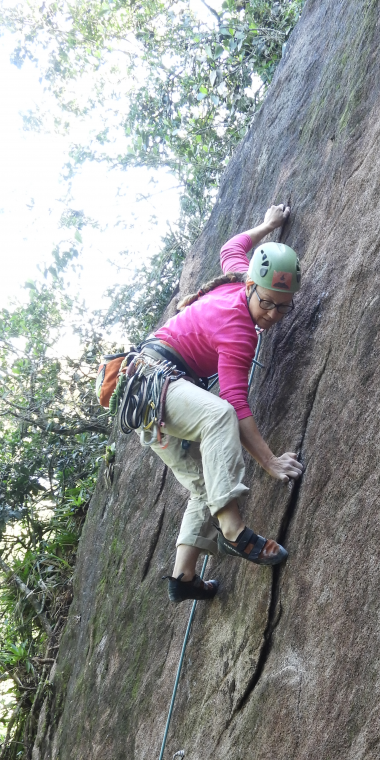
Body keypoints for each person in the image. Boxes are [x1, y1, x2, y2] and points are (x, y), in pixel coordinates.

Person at [136, 204, 304, 603]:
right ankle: (232, 529)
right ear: (251, 288)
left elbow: (233, 245)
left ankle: (184, 578)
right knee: (219, 415)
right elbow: (234, 405)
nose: (274, 315)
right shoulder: (240, 329)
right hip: (155, 380)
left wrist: (267, 225)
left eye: (284, 306)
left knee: (203, 486)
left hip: (147, 400)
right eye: (267, 303)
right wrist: (269, 461)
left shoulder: (237, 276)